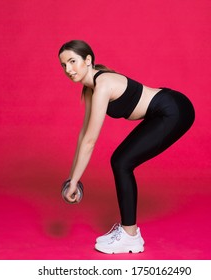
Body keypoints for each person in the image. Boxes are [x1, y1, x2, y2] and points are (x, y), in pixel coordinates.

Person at [58, 40, 195, 254]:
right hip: (162, 111)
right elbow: (83, 136)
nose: (68, 69)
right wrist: (71, 179)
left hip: (174, 109)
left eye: (72, 61)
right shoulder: (89, 90)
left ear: (88, 60)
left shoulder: (103, 85)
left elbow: (90, 141)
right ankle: (129, 233)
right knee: (121, 159)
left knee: (121, 161)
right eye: (63, 65)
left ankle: (130, 236)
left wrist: (74, 181)